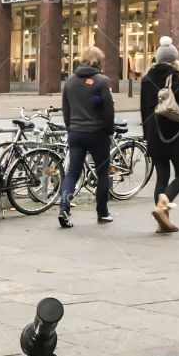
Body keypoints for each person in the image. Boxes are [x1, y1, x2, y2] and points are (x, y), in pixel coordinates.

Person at [58, 45, 116, 229]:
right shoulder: (102, 81)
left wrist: (71, 128)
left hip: (76, 133)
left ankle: (64, 207)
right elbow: (108, 110)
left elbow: (66, 110)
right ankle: (102, 212)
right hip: (97, 133)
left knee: (72, 173)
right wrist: (109, 129)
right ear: (98, 61)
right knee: (102, 173)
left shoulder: (70, 82)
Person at [141, 41, 179, 234]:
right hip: (174, 133)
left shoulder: (146, 79)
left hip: (154, 134)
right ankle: (162, 207)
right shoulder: (173, 75)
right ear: (173, 59)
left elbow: (144, 110)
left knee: (161, 177)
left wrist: (147, 137)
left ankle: (162, 222)